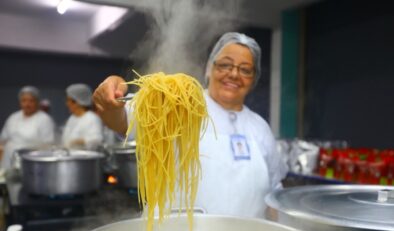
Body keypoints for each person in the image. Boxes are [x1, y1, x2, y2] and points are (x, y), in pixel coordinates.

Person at [93, 32, 288, 218]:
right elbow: (123, 120)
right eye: (225, 65)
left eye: (245, 69)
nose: (234, 74)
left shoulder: (260, 127)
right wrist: (111, 101)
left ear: (254, 78)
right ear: (209, 69)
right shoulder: (180, 103)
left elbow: (274, 192)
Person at [0, 86, 55, 170]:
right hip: (8, 162)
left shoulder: (44, 120)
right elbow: (2, 141)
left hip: (31, 164)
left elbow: (48, 145)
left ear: (37, 102)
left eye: (31, 101)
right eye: (24, 101)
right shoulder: (13, 117)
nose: (27, 104)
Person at [62, 83, 103, 149]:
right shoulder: (72, 118)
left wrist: (79, 142)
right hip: (70, 156)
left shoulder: (92, 118)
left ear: (77, 102)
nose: (67, 104)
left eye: (68, 100)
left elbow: (97, 140)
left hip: (86, 158)